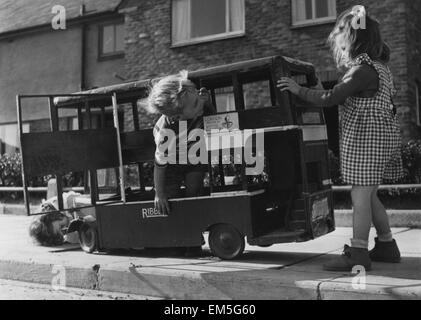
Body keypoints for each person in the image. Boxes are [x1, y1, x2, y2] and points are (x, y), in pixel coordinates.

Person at [277, 5, 403, 271]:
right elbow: (340, 94)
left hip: (367, 141)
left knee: (360, 198)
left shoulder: (362, 70)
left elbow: (331, 99)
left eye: (343, 39)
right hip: (378, 140)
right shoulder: (379, 68)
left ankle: (358, 252)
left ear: (354, 40)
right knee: (369, 196)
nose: (340, 45)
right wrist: (322, 89)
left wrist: (298, 90)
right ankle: (387, 245)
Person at [146, 71, 216, 256]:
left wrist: (205, 101)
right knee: (171, 199)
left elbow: (209, 112)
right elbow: (160, 165)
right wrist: (159, 194)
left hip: (193, 156)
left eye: (197, 98)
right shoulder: (165, 133)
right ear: (178, 117)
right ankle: (177, 238)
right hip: (171, 164)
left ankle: (193, 237)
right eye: (196, 103)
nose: (199, 103)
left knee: (194, 191)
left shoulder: (194, 106)